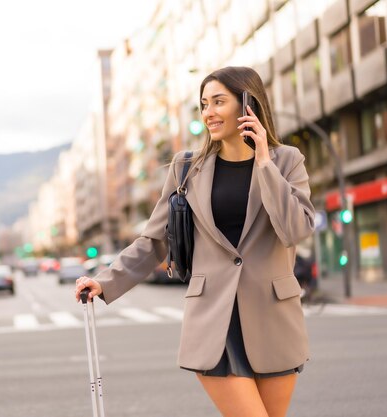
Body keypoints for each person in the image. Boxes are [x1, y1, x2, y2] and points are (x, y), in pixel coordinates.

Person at [74, 66, 315, 417]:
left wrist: (264, 162)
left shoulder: (286, 161)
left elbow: (295, 229)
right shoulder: (187, 168)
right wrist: (105, 280)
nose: (209, 113)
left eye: (219, 102)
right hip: (213, 321)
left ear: (249, 104)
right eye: (204, 104)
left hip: (273, 316)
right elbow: (155, 239)